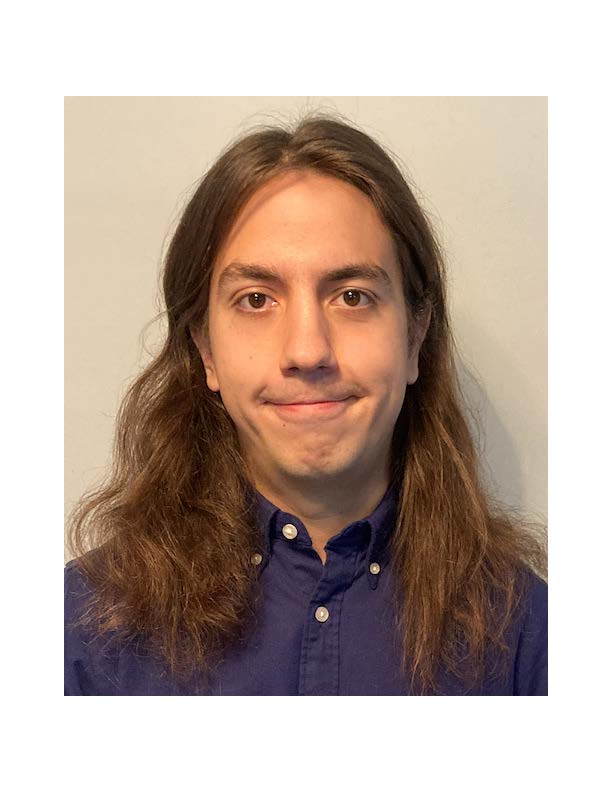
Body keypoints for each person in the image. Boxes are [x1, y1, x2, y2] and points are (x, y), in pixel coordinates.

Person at [65, 113, 547, 695]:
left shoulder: (529, 637)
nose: (307, 350)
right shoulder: (81, 634)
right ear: (205, 349)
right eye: (256, 299)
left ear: (416, 336)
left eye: (352, 297)